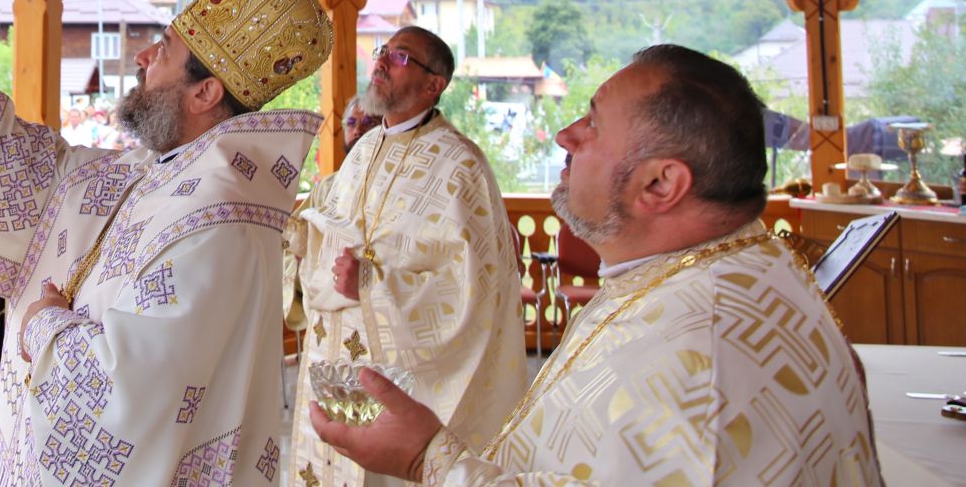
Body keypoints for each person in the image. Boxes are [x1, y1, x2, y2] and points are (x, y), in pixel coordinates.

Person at [312, 45, 880, 486]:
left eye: (592, 122)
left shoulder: (696, 356)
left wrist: (424, 458)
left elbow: (470, 270)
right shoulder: (710, 270)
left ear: (661, 184)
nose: (564, 135)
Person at [0, 0, 332, 484]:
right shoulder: (161, 167)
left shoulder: (220, 226)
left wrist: (44, 326)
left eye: (165, 50)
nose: (144, 57)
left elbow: (131, 392)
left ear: (205, 92)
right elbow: (49, 172)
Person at [289, 28, 526, 485]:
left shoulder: (460, 165)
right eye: (382, 53)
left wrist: (373, 284)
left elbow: (475, 287)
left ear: (433, 84)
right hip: (333, 352)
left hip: (397, 369)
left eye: (399, 57)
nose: (379, 63)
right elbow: (328, 225)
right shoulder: (361, 155)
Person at [280, 97, 380, 332]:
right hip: (326, 310)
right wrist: (299, 257)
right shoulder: (326, 187)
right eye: (352, 122)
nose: (358, 130)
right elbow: (290, 240)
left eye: (368, 122)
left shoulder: (392, 187)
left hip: (369, 303)